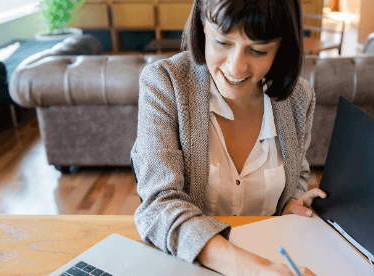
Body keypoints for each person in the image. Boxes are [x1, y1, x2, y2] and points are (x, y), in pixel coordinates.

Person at [130, 0, 327, 274]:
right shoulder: (164, 83)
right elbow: (158, 205)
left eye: (258, 50)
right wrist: (255, 270)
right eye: (222, 43)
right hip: (189, 264)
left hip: (272, 255)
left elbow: (297, 173)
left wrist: (290, 205)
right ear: (202, 28)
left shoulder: (299, 98)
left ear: (282, 46)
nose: (236, 68)